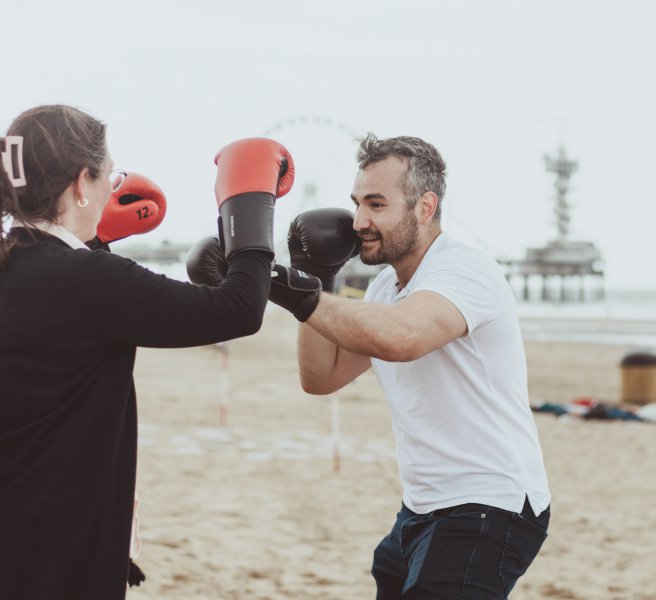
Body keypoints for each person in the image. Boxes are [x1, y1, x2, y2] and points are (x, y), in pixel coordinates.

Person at [189, 133, 551, 598]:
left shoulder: (464, 270)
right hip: (420, 509)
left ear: (425, 206)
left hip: (489, 503)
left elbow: (401, 336)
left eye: (376, 205)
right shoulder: (384, 289)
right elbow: (321, 377)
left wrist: (274, 280)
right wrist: (316, 278)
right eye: (357, 203)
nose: (359, 220)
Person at [0, 104, 292, 599]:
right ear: (80, 183)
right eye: (108, 176)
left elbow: (71, 306)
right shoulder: (89, 282)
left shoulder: (21, 266)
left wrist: (94, 240)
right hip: (57, 552)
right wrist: (248, 202)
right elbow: (238, 309)